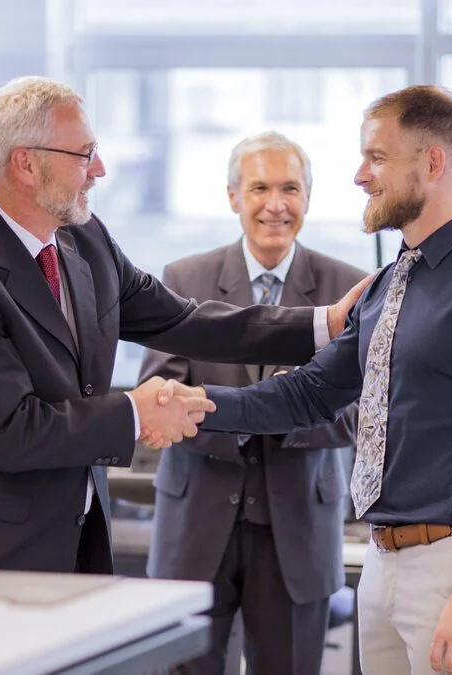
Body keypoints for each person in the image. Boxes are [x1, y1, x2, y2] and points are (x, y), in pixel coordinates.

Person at [151, 85, 452, 675]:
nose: (359, 175)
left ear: (432, 162)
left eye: (376, 157)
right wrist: (196, 403)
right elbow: (311, 392)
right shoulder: (392, 281)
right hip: (383, 560)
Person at [0, 76, 367, 575]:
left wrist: (322, 323)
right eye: (84, 154)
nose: (99, 169)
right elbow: (12, 431)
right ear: (26, 163)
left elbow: (182, 318)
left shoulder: (83, 237)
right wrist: (136, 413)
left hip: (69, 541)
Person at [139, 131, 366, 675]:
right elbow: (160, 400)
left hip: (298, 531)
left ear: (307, 198)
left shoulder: (349, 289)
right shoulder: (183, 280)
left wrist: (274, 413)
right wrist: (272, 403)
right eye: (260, 187)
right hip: (195, 523)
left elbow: (361, 413)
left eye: (290, 188)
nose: (275, 204)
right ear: (233, 197)